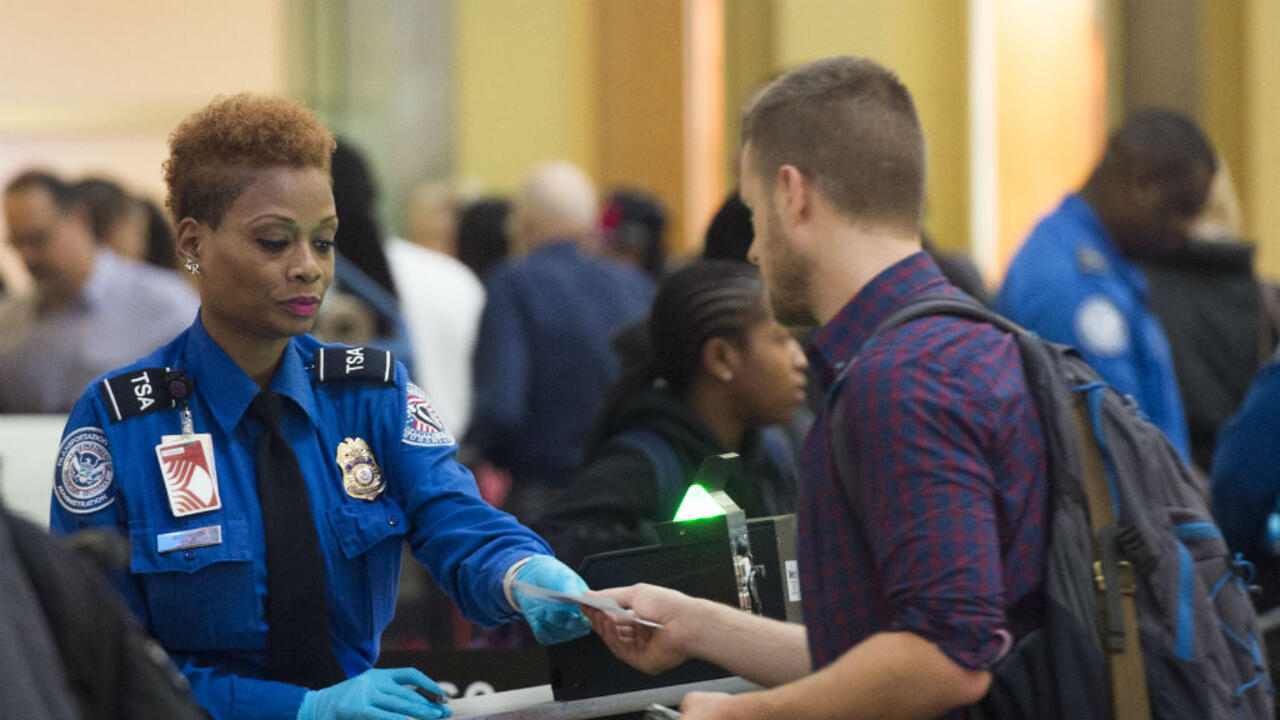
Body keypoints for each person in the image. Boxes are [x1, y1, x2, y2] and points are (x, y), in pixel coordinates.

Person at [48, 94, 591, 720]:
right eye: (275, 242)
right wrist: (298, 708)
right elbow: (100, 653)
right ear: (194, 243)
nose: (307, 268)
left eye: (325, 242)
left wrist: (522, 574)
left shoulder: (368, 395)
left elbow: (455, 518)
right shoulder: (121, 424)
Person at [585, 56, 1048, 720]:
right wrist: (696, 626)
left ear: (792, 195)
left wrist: (744, 715)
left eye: (752, 214)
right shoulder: (965, 344)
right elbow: (873, 652)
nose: (750, 252)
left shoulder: (904, 379)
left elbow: (945, 658)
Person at [535, 260, 807, 569]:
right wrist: (675, 556)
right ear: (720, 357)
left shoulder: (771, 454)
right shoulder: (643, 463)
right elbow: (556, 544)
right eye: (782, 340)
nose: (800, 360)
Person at [994, 110, 1217, 460]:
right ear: (1141, 183)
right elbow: (1114, 457)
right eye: (1183, 209)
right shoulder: (1072, 286)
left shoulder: (1106, 264)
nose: (1188, 231)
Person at [465, 161, 655, 522]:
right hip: (637, 497)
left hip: (547, 500)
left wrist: (465, 457)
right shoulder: (638, 287)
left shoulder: (513, 285)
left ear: (524, 220)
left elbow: (501, 406)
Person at [0, 170, 199, 412]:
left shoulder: (166, 304)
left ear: (78, 218)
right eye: (17, 243)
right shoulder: (10, 322)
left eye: (38, 239)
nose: (27, 257)